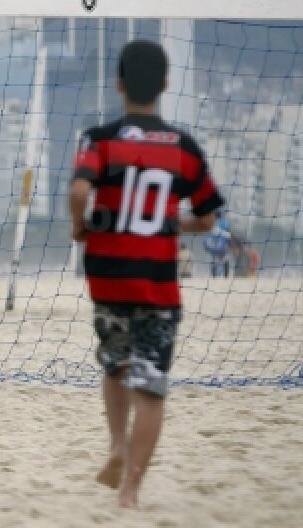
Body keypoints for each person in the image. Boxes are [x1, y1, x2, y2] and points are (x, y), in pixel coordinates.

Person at [69, 40, 224, 509]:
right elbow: (210, 215)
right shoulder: (183, 147)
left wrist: (81, 226)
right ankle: (132, 489)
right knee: (151, 385)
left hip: (109, 276)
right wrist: (176, 223)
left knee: (115, 365)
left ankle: (116, 445)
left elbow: (79, 190)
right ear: (164, 85)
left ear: (118, 84)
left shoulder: (101, 138)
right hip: (157, 282)